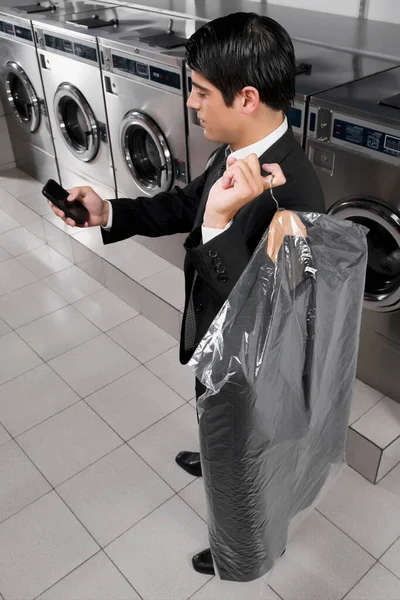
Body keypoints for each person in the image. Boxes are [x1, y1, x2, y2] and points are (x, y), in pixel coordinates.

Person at [49, 12, 324, 577]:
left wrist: (222, 226)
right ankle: (217, 452)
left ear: (246, 97)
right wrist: (110, 210)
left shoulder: (295, 192)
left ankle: (242, 554)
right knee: (218, 429)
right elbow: (184, 205)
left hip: (251, 372)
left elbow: (268, 319)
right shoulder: (238, 149)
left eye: (200, 92)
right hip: (213, 343)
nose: (192, 103)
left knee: (244, 457)